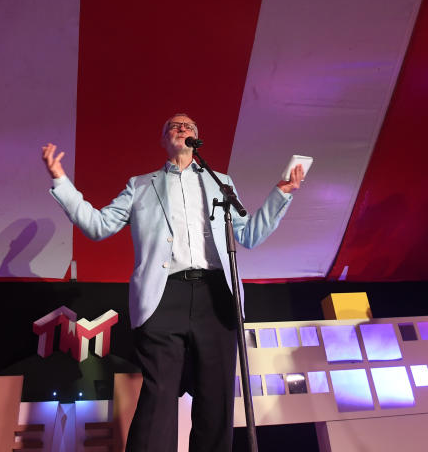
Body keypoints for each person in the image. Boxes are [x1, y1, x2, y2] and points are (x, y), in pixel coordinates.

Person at [41, 113, 303, 452]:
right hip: (164, 296)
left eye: (189, 126)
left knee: (216, 396)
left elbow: (249, 234)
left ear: (197, 139)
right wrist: (61, 182)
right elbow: (98, 225)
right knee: (159, 394)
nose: (182, 128)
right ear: (164, 140)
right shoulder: (140, 185)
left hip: (216, 296)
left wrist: (281, 194)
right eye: (174, 126)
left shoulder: (220, 182)